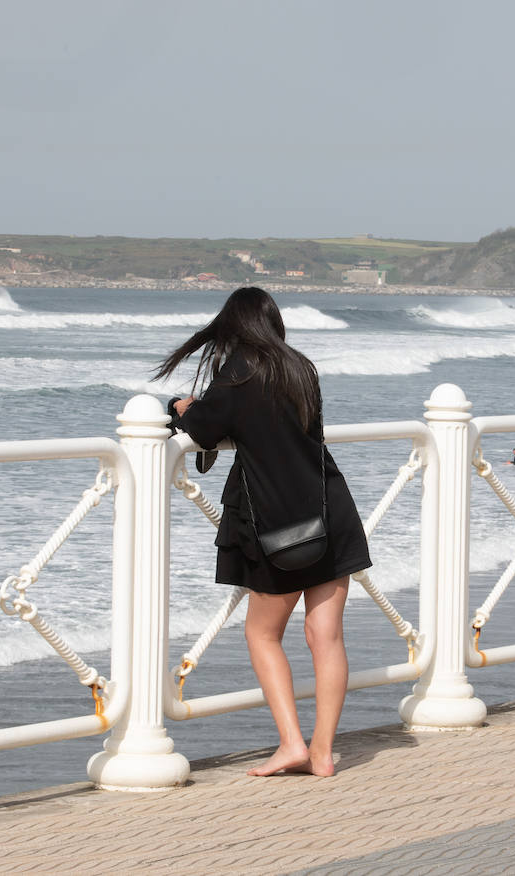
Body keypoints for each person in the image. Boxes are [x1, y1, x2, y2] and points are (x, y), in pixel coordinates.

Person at [155, 287, 372, 777]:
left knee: (262, 633)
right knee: (326, 637)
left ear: (232, 326)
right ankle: (321, 753)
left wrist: (182, 406)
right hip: (329, 506)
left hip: (275, 518)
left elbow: (206, 430)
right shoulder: (301, 367)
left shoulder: (236, 374)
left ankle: (292, 743)